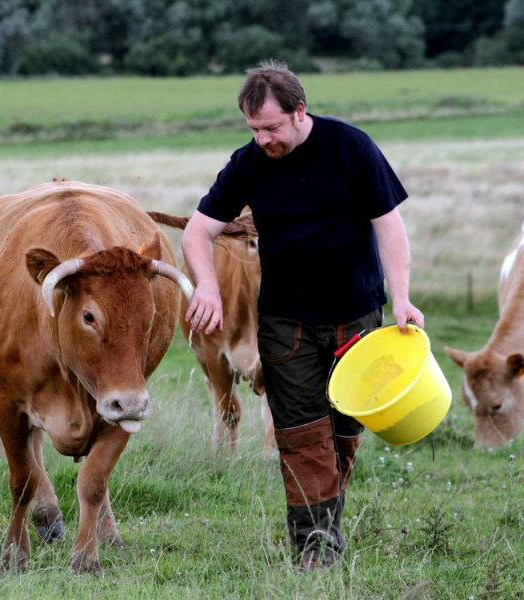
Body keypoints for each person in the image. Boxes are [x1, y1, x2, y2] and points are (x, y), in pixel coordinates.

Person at [180, 59, 424, 571]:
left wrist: (400, 297)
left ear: (299, 112)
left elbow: (389, 224)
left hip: (356, 319)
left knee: (342, 432)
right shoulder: (247, 163)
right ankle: (316, 548)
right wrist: (207, 285)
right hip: (286, 323)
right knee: (300, 433)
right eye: (254, 129)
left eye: (271, 128)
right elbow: (197, 231)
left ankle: (324, 529)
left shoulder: (350, 147)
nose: (263, 139)